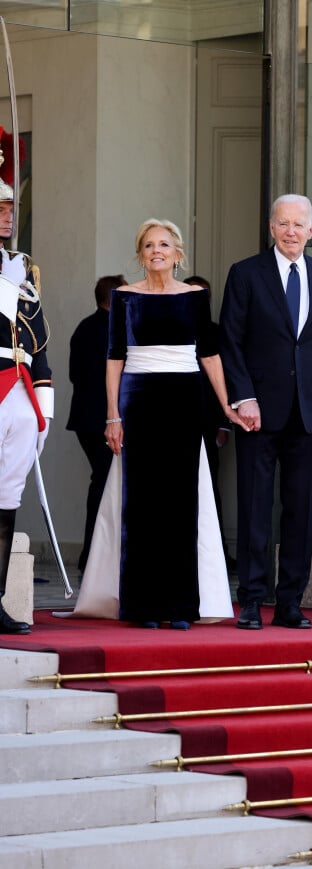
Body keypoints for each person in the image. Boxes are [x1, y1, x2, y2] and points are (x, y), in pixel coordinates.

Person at [103, 219, 247, 630]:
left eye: (164, 244)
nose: (156, 251)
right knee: (143, 505)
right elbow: (114, 359)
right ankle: (143, 606)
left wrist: (227, 406)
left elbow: (210, 356)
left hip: (185, 403)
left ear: (178, 253)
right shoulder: (124, 298)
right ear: (140, 254)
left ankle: (181, 605)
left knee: (182, 504)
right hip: (138, 401)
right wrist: (113, 414)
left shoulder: (195, 298)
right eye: (149, 245)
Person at [220, 193, 312, 630]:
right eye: (283, 223)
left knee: (300, 508)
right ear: (271, 228)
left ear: (311, 231)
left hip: (310, 414)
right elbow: (230, 342)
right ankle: (253, 599)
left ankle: (289, 602)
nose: (291, 231)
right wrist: (243, 396)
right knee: (255, 507)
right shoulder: (245, 274)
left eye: (299, 224)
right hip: (258, 411)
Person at [0, 137, 53, 634]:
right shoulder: (13, 275)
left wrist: (46, 407)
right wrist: (6, 286)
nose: (8, 216)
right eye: (0, 208)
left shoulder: (22, 267)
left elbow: (37, 340)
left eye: (11, 208)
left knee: (7, 496)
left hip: (19, 391)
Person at [66, 275, 127, 573]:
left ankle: (93, 555)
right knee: (106, 485)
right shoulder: (115, 330)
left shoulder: (83, 327)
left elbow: (74, 375)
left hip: (84, 419)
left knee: (101, 483)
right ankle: (95, 557)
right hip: (107, 418)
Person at [184, 274, 236, 572]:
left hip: (208, 422)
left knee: (209, 487)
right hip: (174, 419)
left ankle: (215, 554)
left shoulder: (217, 332)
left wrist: (224, 424)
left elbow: (224, 380)